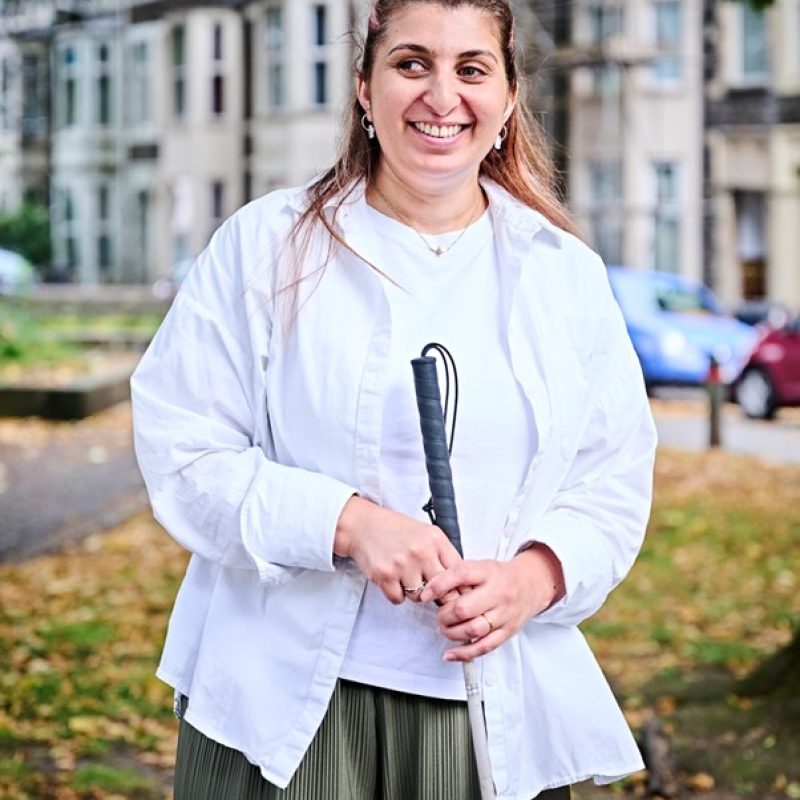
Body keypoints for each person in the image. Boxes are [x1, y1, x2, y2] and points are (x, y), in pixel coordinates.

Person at [131, 1, 657, 798]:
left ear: (509, 100)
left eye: (471, 69)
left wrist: (535, 579)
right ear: (364, 92)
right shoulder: (265, 245)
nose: (441, 96)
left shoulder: (564, 276)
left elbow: (612, 479)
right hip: (283, 702)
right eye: (412, 64)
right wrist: (347, 523)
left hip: (482, 709)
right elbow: (184, 452)